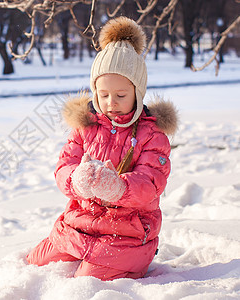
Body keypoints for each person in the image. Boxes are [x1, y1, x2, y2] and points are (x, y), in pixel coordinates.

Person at [26, 16, 178, 281]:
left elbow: (151, 182)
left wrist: (118, 187)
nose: (111, 103)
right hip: (80, 222)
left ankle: (123, 266)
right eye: (103, 95)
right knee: (35, 262)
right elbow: (64, 166)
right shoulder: (86, 125)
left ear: (138, 93)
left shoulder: (151, 133)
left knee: (86, 283)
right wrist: (76, 178)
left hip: (127, 232)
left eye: (121, 95)